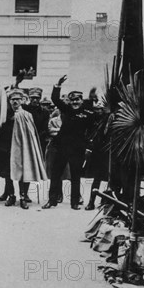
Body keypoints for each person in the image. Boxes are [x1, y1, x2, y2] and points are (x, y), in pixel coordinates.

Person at [42, 75, 96, 210]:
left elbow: (92, 132)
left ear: (81, 100)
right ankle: (52, 201)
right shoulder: (67, 110)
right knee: (55, 174)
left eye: (77, 100)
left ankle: (74, 203)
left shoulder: (88, 113)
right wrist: (58, 85)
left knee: (76, 177)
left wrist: (88, 147)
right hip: (61, 147)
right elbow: (55, 99)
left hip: (77, 149)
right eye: (72, 100)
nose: (75, 102)